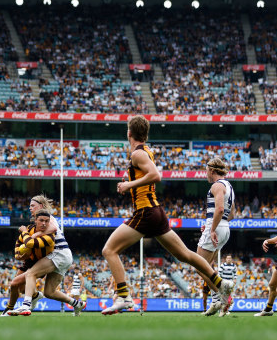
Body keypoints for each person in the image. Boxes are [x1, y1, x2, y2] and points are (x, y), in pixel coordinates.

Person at [101, 116, 234, 315]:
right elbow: (147, 176)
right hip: (156, 212)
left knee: (109, 250)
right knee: (185, 255)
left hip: (145, 211)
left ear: (129, 133)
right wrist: (130, 179)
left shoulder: (138, 154)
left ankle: (123, 297)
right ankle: (221, 283)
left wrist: (129, 184)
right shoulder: (145, 151)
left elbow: (156, 175)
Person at [8, 206, 86, 316]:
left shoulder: (49, 223)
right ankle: (77, 304)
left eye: (32, 205)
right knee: (49, 292)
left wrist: (27, 232)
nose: (30, 208)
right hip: (65, 256)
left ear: (40, 206)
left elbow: (46, 232)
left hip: (59, 253)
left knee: (31, 273)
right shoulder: (43, 224)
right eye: (29, 206)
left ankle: (26, 305)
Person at [197, 158, 236, 316]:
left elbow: (219, 209)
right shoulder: (229, 186)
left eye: (206, 170)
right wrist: (216, 225)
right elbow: (231, 213)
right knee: (208, 266)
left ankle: (222, 294)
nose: (205, 174)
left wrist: (212, 228)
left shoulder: (217, 185)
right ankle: (216, 301)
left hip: (217, 227)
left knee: (198, 266)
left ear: (212, 170)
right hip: (225, 226)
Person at [0, 209, 55, 316]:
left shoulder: (50, 236)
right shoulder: (30, 229)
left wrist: (24, 231)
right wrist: (17, 255)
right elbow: (19, 240)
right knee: (16, 287)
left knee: (14, 283)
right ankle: (34, 295)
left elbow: (29, 243)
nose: (44, 223)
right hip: (30, 261)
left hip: (42, 263)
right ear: (35, 220)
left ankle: (9, 308)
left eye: (47, 221)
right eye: (41, 220)